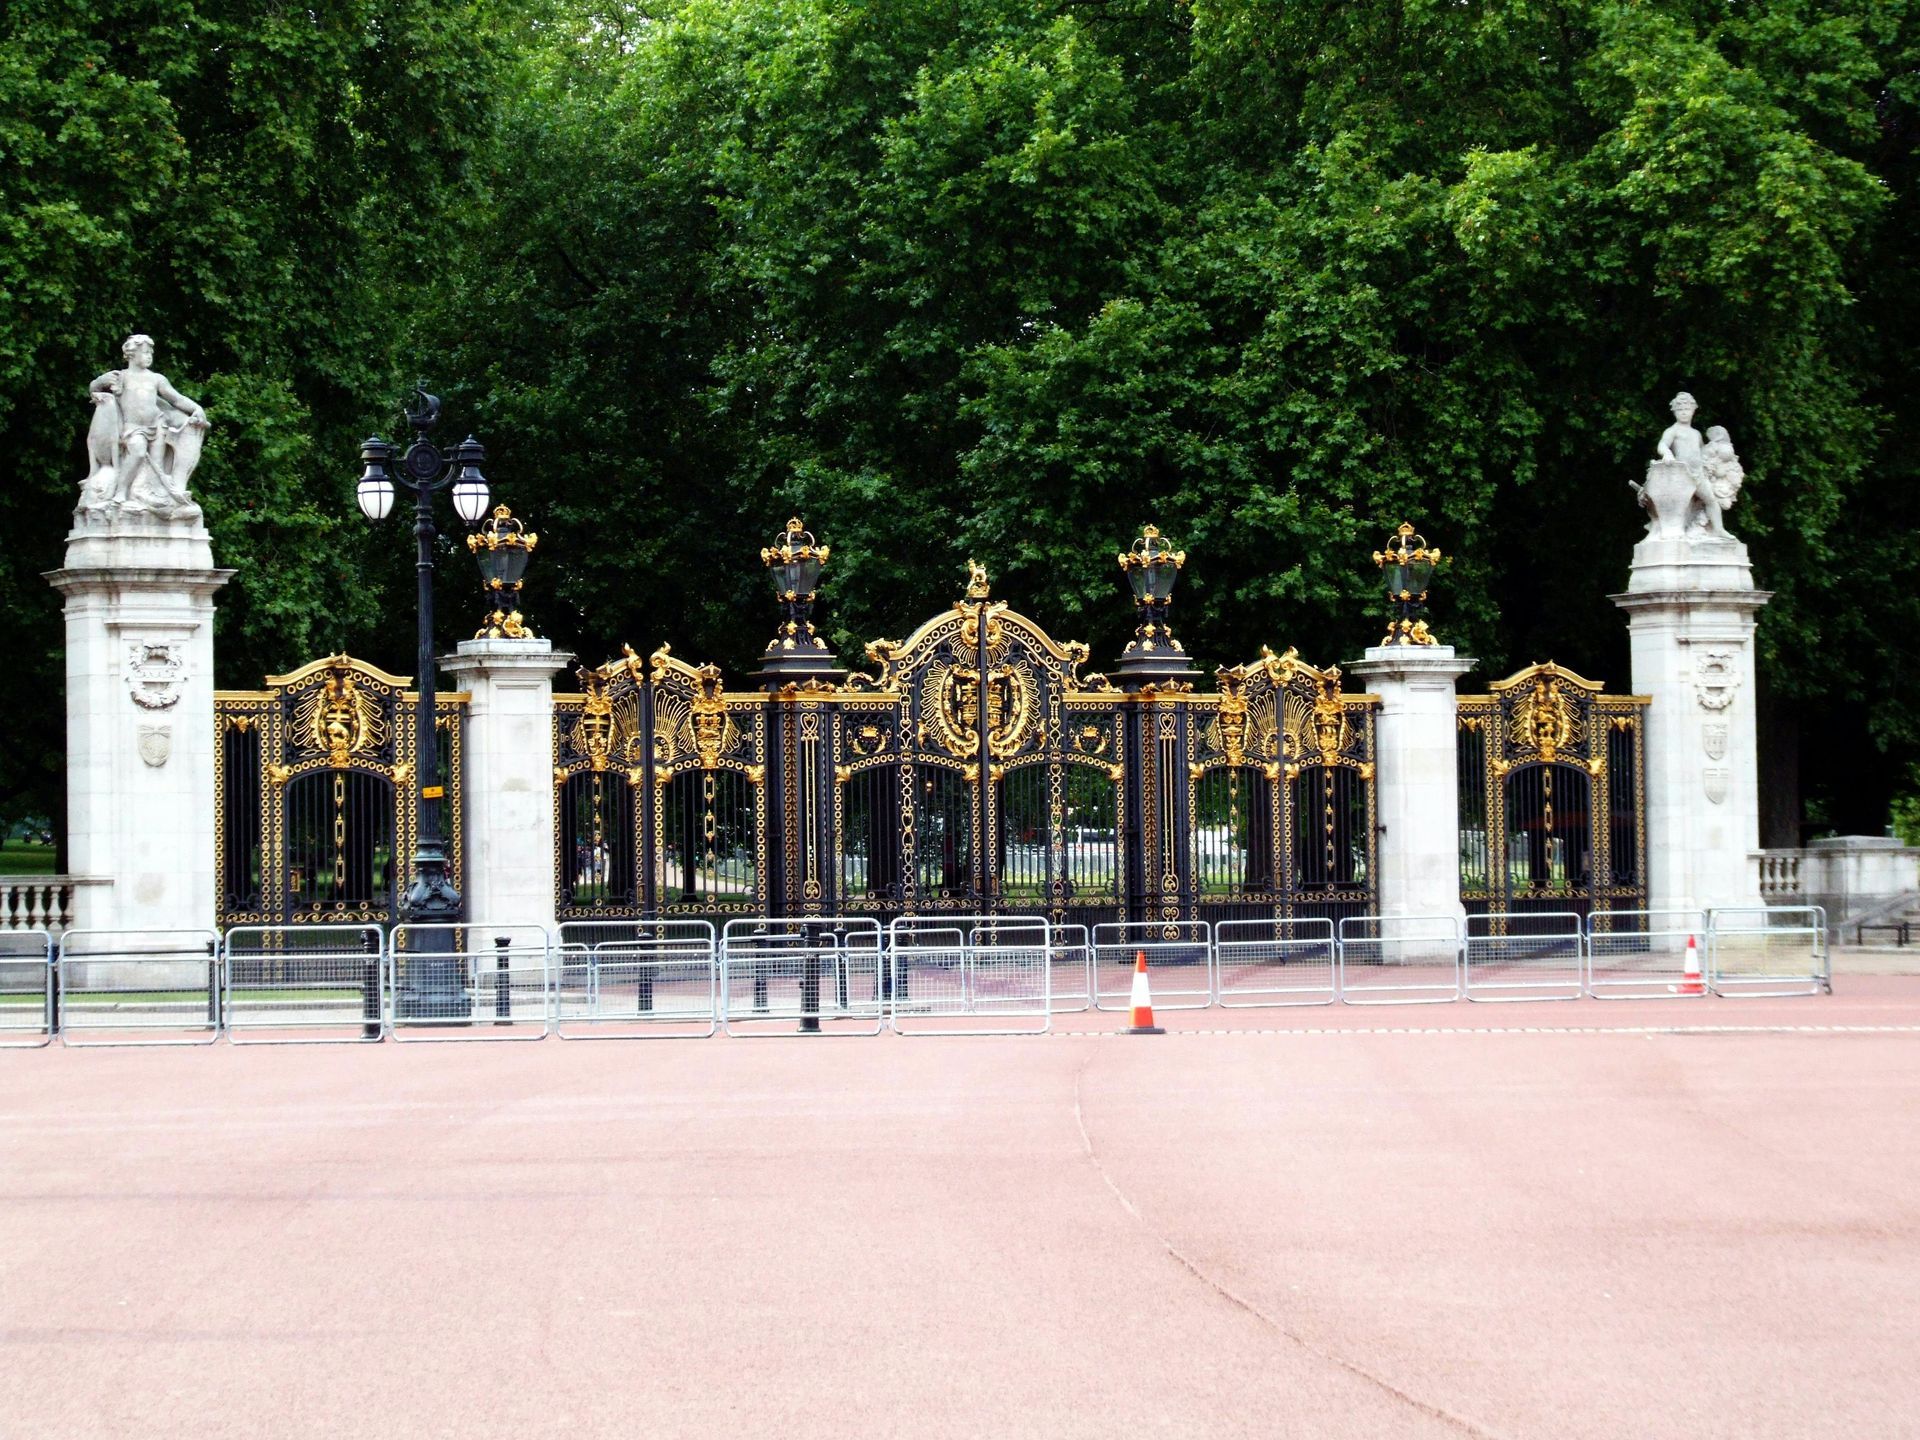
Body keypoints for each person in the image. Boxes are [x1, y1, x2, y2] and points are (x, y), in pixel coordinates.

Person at [83, 334, 206, 520]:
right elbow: (94, 389)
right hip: (132, 428)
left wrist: (197, 408)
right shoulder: (121, 377)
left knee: (155, 467)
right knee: (138, 452)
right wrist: (101, 380)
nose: (149, 356)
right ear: (132, 354)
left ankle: (151, 499)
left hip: (157, 426)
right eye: (145, 352)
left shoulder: (156, 379)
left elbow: (176, 399)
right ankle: (121, 492)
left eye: (151, 353)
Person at [1654, 391, 1728, 539]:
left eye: (1687, 409)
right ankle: (1676, 533)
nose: (1683, 412)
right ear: (1674, 411)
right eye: (1680, 409)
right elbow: (1662, 445)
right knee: (1681, 505)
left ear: (1693, 410)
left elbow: (1702, 453)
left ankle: (1719, 529)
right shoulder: (1672, 431)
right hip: (1682, 475)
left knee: (1711, 500)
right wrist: (1667, 454)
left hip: (1698, 474)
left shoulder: (1696, 434)